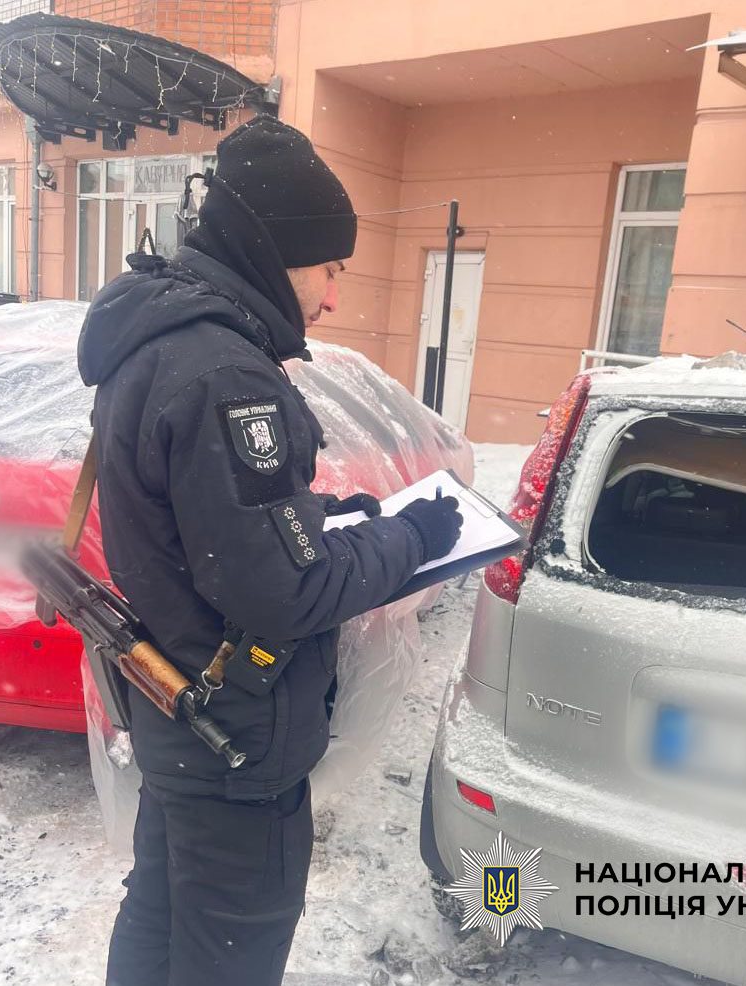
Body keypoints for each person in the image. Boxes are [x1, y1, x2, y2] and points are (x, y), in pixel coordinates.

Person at [76, 115, 464, 986]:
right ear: (276, 251)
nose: (332, 297)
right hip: (232, 735)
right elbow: (280, 593)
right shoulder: (225, 375)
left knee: (164, 913)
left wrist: (328, 517)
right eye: (330, 270)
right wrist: (412, 536)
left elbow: (217, 526)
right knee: (228, 950)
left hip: (179, 707)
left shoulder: (166, 344)